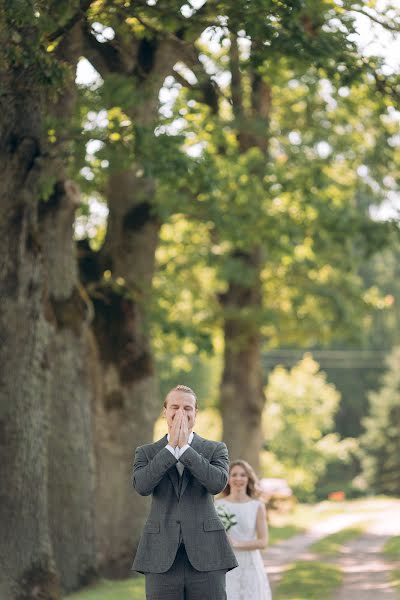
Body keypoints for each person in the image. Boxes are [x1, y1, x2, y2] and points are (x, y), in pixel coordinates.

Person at [131, 384, 238, 600]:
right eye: (175, 407)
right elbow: (142, 486)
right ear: (165, 412)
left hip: (208, 556)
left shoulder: (216, 449)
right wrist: (170, 449)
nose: (181, 413)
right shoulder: (146, 452)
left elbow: (217, 484)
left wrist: (186, 450)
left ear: (196, 413)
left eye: (188, 408)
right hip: (159, 557)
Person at [215, 460, 272, 600]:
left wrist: (236, 544)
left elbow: (263, 542)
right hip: (226, 565)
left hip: (251, 564)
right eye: (234, 475)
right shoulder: (217, 505)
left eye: (243, 475)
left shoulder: (257, 506)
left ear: (248, 479)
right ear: (228, 479)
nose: (238, 479)